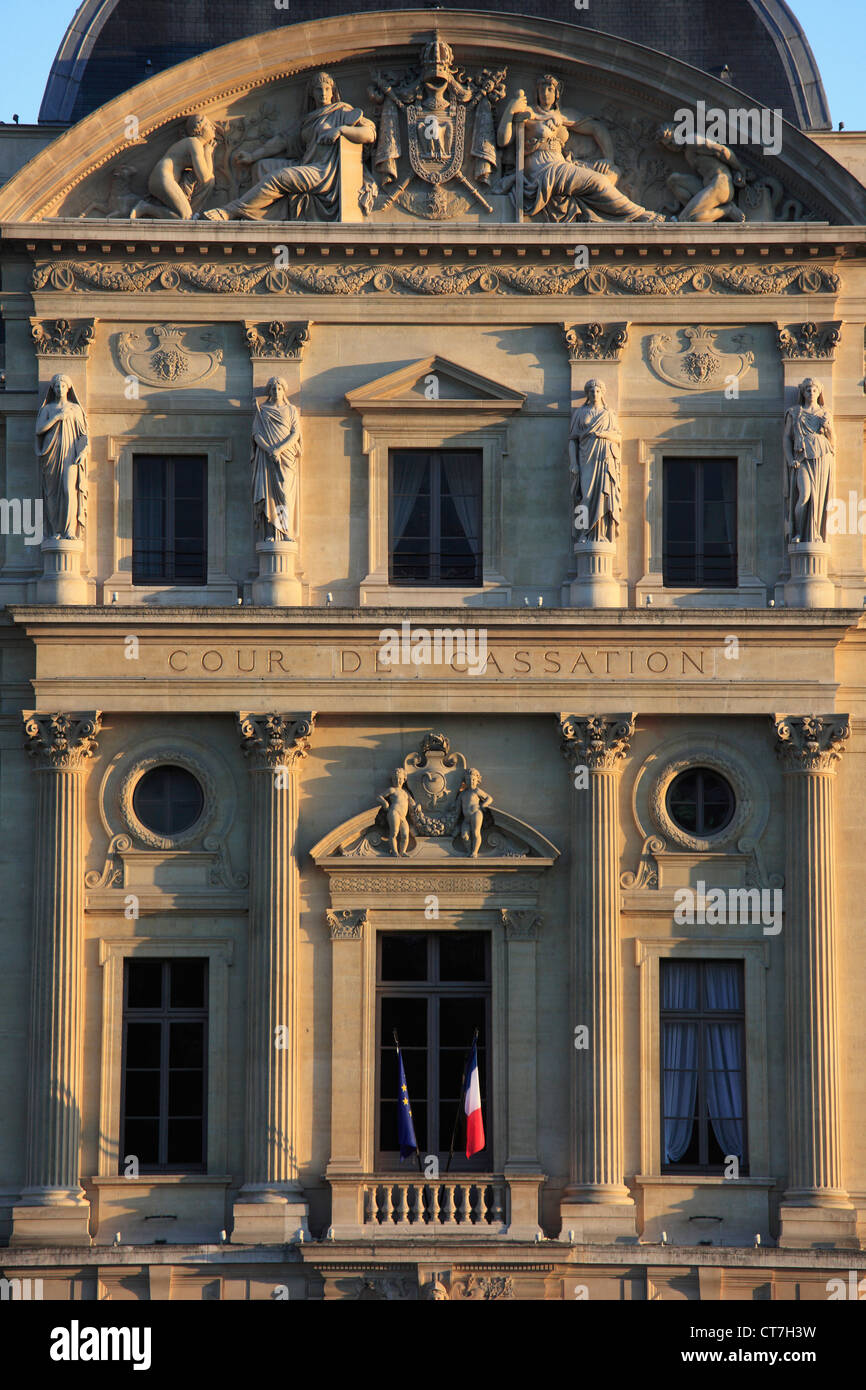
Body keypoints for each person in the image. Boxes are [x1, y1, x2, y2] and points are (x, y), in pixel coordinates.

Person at [201, 71, 376, 221]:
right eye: (318, 89)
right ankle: (270, 218)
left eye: (327, 89)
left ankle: (229, 211)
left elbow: (369, 134)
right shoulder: (309, 120)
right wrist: (254, 156)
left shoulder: (342, 112)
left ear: (333, 91)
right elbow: (282, 140)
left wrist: (341, 130)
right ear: (312, 94)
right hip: (308, 165)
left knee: (277, 178)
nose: (323, 93)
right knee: (262, 167)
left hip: (324, 172)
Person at [497, 75, 665, 223]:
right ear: (536, 91)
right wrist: (511, 110)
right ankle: (639, 214)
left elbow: (596, 129)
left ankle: (598, 216)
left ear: (557, 94)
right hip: (542, 168)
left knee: (610, 174)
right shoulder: (529, 113)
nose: (545, 93)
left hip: (561, 164)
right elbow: (503, 140)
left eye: (550, 89)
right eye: (542, 88)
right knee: (597, 182)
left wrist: (608, 158)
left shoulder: (563, 115)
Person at [131, 114, 217, 219]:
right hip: (163, 178)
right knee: (185, 217)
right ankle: (146, 208)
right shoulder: (194, 143)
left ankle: (147, 208)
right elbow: (204, 178)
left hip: (162, 178)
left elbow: (208, 179)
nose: (213, 127)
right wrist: (208, 153)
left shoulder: (194, 145)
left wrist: (207, 152)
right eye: (208, 125)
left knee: (183, 217)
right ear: (199, 129)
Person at [35, 374, 89, 540]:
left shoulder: (75, 409)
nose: (60, 389)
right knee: (51, 493)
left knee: (68, 490)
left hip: (70, 455)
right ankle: (55, 531)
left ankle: (69, 531)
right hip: (51, 454)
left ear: (69, 388)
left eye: (63, 386)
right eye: (57, 386)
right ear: (53, 389)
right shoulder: (47, 409)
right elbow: (39, 429)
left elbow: (83, 435)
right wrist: (57, 417)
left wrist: (82, 452)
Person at [657, 124, 747, 223]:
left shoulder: (692, 141)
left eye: (673, 138)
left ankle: (726, 210)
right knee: (673, 180)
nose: (673, 144)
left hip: (720, 185)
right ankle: (695, 210)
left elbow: (721, 150)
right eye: (669, 144)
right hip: (707, 186)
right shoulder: (687, 153)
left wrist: (740, 169)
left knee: (686, 219)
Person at [569, 379, 622, 543]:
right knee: (584, 496)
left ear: (602, 393)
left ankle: (601, 535)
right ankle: (583, 533)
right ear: (587, 393)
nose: (594, 393)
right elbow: (572, 439)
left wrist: (604, 435)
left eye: (597, 390)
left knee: (602, 496)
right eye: (591, 391)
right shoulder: (580, 413)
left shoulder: (609, 414)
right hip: (586, 458)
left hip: (604, 460)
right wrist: (573, 463)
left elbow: (618, 437)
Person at [783, 378, 834, 544]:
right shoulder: (795, 412)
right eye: (808, 390)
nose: (811, 393)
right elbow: (787, 438)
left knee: (818, 499)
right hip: (802, 457)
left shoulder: (825, 413)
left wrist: (827, 428)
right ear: (803, 393)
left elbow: (833, 442)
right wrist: (790, 460)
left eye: (814, 390)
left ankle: (815, 534)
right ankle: (799, 532)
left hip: (821, 455)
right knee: (804, 495)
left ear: (819, 392)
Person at [251, 378, 301, 541]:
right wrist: (269, 450)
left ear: (284, 391)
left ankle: (285, 530)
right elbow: (257, 435)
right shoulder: (263, 410)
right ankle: (271, 533)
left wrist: (279, 449)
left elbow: (295, 434)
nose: (276, 391)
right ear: (270, 391)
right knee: (269, 495)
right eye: (273, 389)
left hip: (286, 457)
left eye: (279, 388)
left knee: (284, 492)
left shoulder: (291, 410)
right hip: (267, 458)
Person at [457, 769, 493, 858]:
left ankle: (474, 852)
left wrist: (484, 804)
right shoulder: (462, 794)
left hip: (476, 814)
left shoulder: (476, 791)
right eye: (468, 780)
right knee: (464, 836)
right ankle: (469, 851)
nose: (471, 782)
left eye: (473, 780)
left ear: (477, 781)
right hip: (466, 818)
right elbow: (457, 807)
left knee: (476, 832)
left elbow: (489, 798)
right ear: (465, 781)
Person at [378, 769, 412, 857]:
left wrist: (418, 806)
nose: (398, 781)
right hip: (394, 812)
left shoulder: (405, 792)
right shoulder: (392, 790)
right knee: (394, 832)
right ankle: (394, 851)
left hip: (403, 816)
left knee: (405, 835)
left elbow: (412, 802)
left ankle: (403, 851)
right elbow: (379, 796)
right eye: (395, 779)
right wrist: (385, 802)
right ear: (392, 780)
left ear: (404, 779)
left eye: (400, 779)